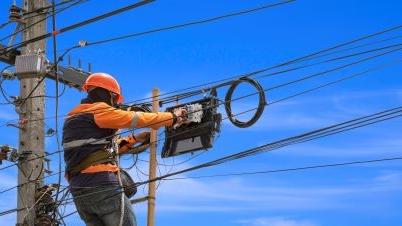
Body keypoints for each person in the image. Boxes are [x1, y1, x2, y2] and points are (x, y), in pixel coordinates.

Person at [62, 72, 186, 226]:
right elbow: (135, 118)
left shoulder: (72, 117)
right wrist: (171, 117)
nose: (115, 104)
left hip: (79, 192)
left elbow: (98, 152)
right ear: (109, 94)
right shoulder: (98, 110)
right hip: (101, 184)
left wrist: (134, 139)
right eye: (114, 99)